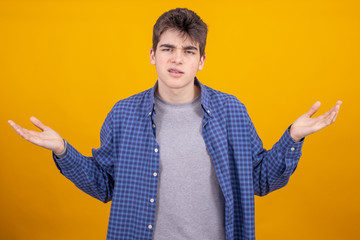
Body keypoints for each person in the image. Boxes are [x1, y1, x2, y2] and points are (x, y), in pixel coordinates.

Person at [8, 8, 341, 240]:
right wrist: (63, 150)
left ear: (202, 60)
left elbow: (260, 180)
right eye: (167, 48)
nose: (177, 58)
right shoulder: (123, 114)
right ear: (153, 55)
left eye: (188, 51)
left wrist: (293, 138)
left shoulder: (232, 111)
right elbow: (105, 185)